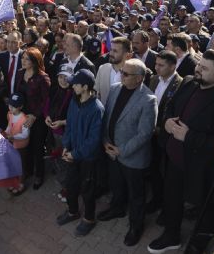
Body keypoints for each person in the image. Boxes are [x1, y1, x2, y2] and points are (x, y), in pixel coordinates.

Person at [149, 50, 214, 253]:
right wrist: (166, 122)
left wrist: (190, 136)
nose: (197, 69)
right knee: (172, 198)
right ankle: (171, 235)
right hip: (175, 159)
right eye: (199, 65)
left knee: (206, 207)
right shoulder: (189, 82)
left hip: (202, 168)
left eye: (204, 68)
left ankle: (198, 244)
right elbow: (172, 106)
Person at [98, 58, 157, 247]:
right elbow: (107, 116)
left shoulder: (148, 99)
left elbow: (145, 133)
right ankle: (117, 208)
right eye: (121, 71)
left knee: (136, 195)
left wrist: (122, 150)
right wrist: (105, 141)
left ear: (139, 78)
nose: (121, 75)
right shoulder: (115, 88)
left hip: (132, 157)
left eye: (126, 73)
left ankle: (136, 226)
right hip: (111, 149)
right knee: (116, 184)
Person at [56, 69, 104, 237]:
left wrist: (75, 154)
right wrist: (66, 145)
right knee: (71, 184)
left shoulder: (97, 109)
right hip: (72, 154)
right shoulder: (74, 101)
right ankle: (72, 211)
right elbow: (69, 126)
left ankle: (89, 219)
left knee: (87, 189)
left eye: (75, 84)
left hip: (87, 159)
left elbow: (94, 139)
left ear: (85, 87)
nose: (72, 86)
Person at [147, 50, 182, 215]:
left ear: (173, 66)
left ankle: (166, 206)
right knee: (153, 170)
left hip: (167, 137)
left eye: (161, 65)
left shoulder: (181, 85)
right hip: (151, 134)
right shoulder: (154, 79)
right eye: (156, 64)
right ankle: (156, 198)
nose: (157, 68)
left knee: (166, 173)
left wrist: (161, 128)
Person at [14, 47, 51, 191]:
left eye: (26, 59)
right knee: (25, 146)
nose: (22, 61)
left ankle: (39, 175)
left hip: (37, 118)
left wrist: (34, 115)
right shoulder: (20, 73)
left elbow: (46, 100)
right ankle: (27, 171)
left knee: (37, 147)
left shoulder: (43, 77)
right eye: (22, 58)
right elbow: (17, 93)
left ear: (35, 61)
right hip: (22, 116)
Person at [4, 93, 30, 195]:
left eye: (14, 106)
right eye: (10, 105)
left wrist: (13, 137)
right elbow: (9, 126)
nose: (11, 108)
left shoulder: (24, 118)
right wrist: (6, 133)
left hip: (21, 147)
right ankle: (15, 181)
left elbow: (25, 134)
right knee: (13, 164)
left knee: (21, 165)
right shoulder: (10, 114)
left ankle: (21, 183)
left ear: (21, 107)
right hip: (12, 145)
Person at [95, 36, 132, 106]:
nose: (111, 53)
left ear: (127, 55)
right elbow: (96, 93)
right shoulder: (102, 69)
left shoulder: (132, 74)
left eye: (115, 51)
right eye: (111, 50)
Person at [0, 31, 24, 97]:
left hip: (20, 98)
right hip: (3, 97)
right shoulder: (1, 56)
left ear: (20, 43)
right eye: (8, 41)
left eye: (13, 42)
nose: (9, 45)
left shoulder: (25, 56)